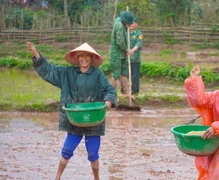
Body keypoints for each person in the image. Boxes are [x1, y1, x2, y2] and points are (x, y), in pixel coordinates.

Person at [26, 42, 117, 180]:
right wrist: (36, 54)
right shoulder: (67, 73)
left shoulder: (98, 75)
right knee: (67, 151)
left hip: (93, 120)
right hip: (75, 119)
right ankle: (57, 177)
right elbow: (50, 71)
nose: (84, 59)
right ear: (77, 58)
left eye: (87, 56)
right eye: (81, 56)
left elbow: (110, 90)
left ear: (92, 58)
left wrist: (108, 101)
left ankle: (96, 178)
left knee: (93, 154)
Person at [110, 11, 135, 99]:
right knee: (116, 74)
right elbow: (120, 42)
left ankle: (126, 92)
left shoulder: (120, 21)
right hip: (117, 53)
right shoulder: (119, 26)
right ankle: (111, 95)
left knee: (123, 73)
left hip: (123, 53)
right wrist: (127, 50)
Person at [128, 16, 143, 95]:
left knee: (135, 76)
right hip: (125, 58)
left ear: (136, 24)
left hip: (135, 58)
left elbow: (138, 44)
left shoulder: (139, 33)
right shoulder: (126, 32)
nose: (131, 24)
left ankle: (135, 92)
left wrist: (132, 51)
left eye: (133, 23)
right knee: (125, 76)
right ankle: (125, 92)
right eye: (130, 23)